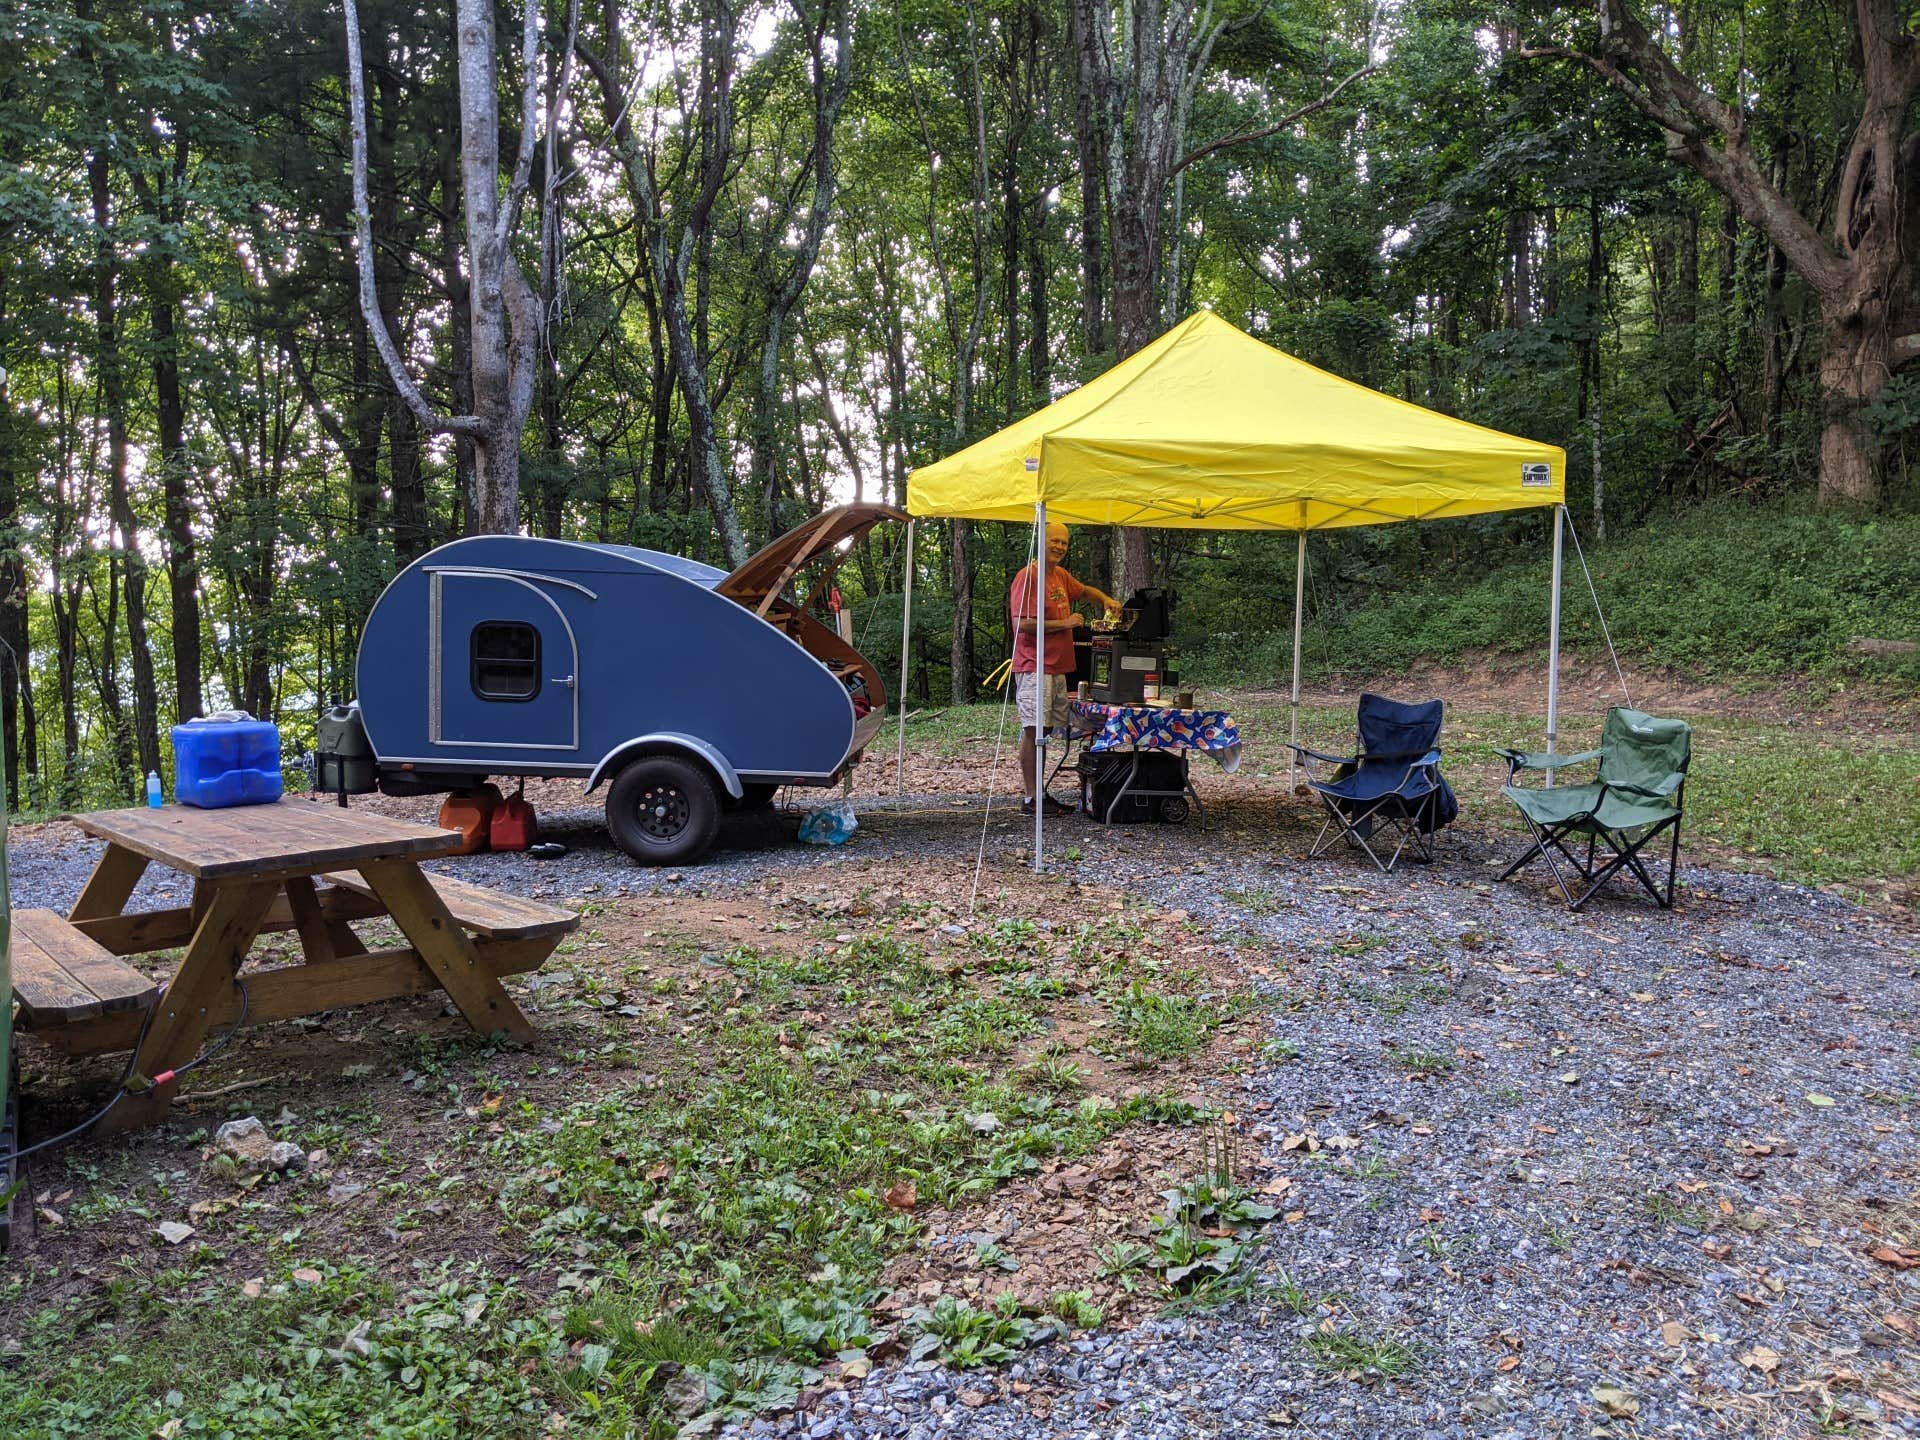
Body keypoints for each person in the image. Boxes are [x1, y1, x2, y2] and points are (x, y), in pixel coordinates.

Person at [1010, 522, 1120, 815]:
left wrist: (1105, 599)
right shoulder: (1028, 577)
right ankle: (1031, 798)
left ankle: (1040, 795)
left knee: (1045, 730)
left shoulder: (1059, 575)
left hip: (1057, 666)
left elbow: (1083, 591)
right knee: (1034, 730)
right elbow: (1022, 624)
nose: (1060, 547)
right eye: (1054, 541)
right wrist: (1067, 623)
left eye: (1064, 543)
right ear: (1041, 541)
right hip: (1035, 665)